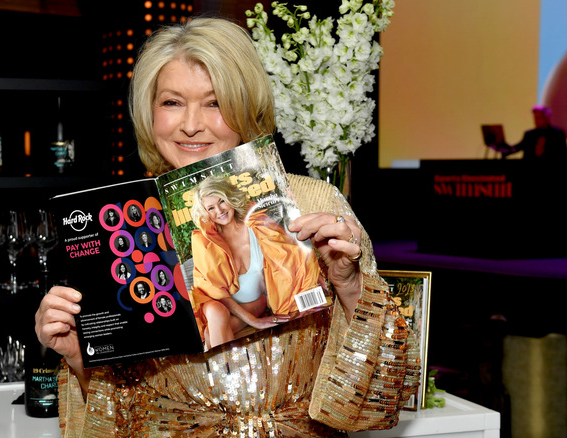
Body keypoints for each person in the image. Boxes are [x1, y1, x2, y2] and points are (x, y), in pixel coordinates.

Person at [35, 18, 419, 436]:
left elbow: (383, 392)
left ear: (246, 107)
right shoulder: (126, 226)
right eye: (172, 103)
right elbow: (126, 413)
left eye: (214, 103)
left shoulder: (314, 206)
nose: (191, 124)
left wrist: (349, 285)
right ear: (148, 113)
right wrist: (80, 357)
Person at [190, 175, 323, 348]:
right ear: (204, 213)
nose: (219, 211)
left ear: (230, 197)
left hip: (254, 302)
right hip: (215, 303)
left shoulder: (257, 225)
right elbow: (213, 290)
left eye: (222, 201)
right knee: (217, 313)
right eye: (211, 208)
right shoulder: (204, 240)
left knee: (212, 332)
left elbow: (288, 253)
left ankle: (226, 368)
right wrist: (254, 321)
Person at [493, 105, 567, 160]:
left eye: (539, 118)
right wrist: (500, 147)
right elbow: (517, 148)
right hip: (530, 171)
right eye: (535, 118)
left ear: (547, 118)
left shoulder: (557, 134)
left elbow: (563, 154)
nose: (536, 120)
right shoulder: (530, 134)